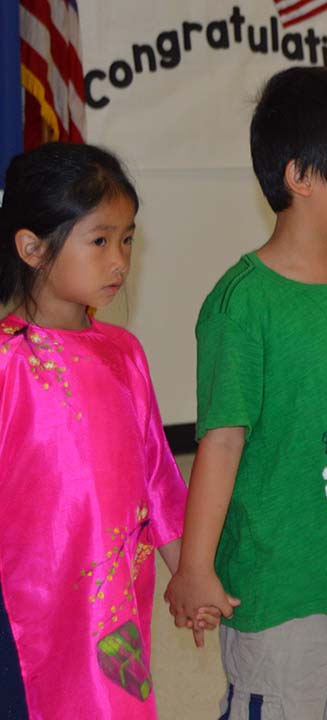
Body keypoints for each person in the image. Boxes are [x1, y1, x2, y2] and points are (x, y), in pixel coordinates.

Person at [164, 66, 327, 719]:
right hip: (281, 585)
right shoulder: (243, 303)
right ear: (301, 176)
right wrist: (195, 565)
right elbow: (222, 441)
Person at [0, 143, 196, 718]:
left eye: (128, 239)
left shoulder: (122, 353)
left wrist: (190, 573)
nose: (120, 261)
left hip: (114, 610)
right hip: (24, 613)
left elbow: (159, 478)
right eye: (100, 240)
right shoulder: (9, 362)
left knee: (115, 704)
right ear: (32, 248)